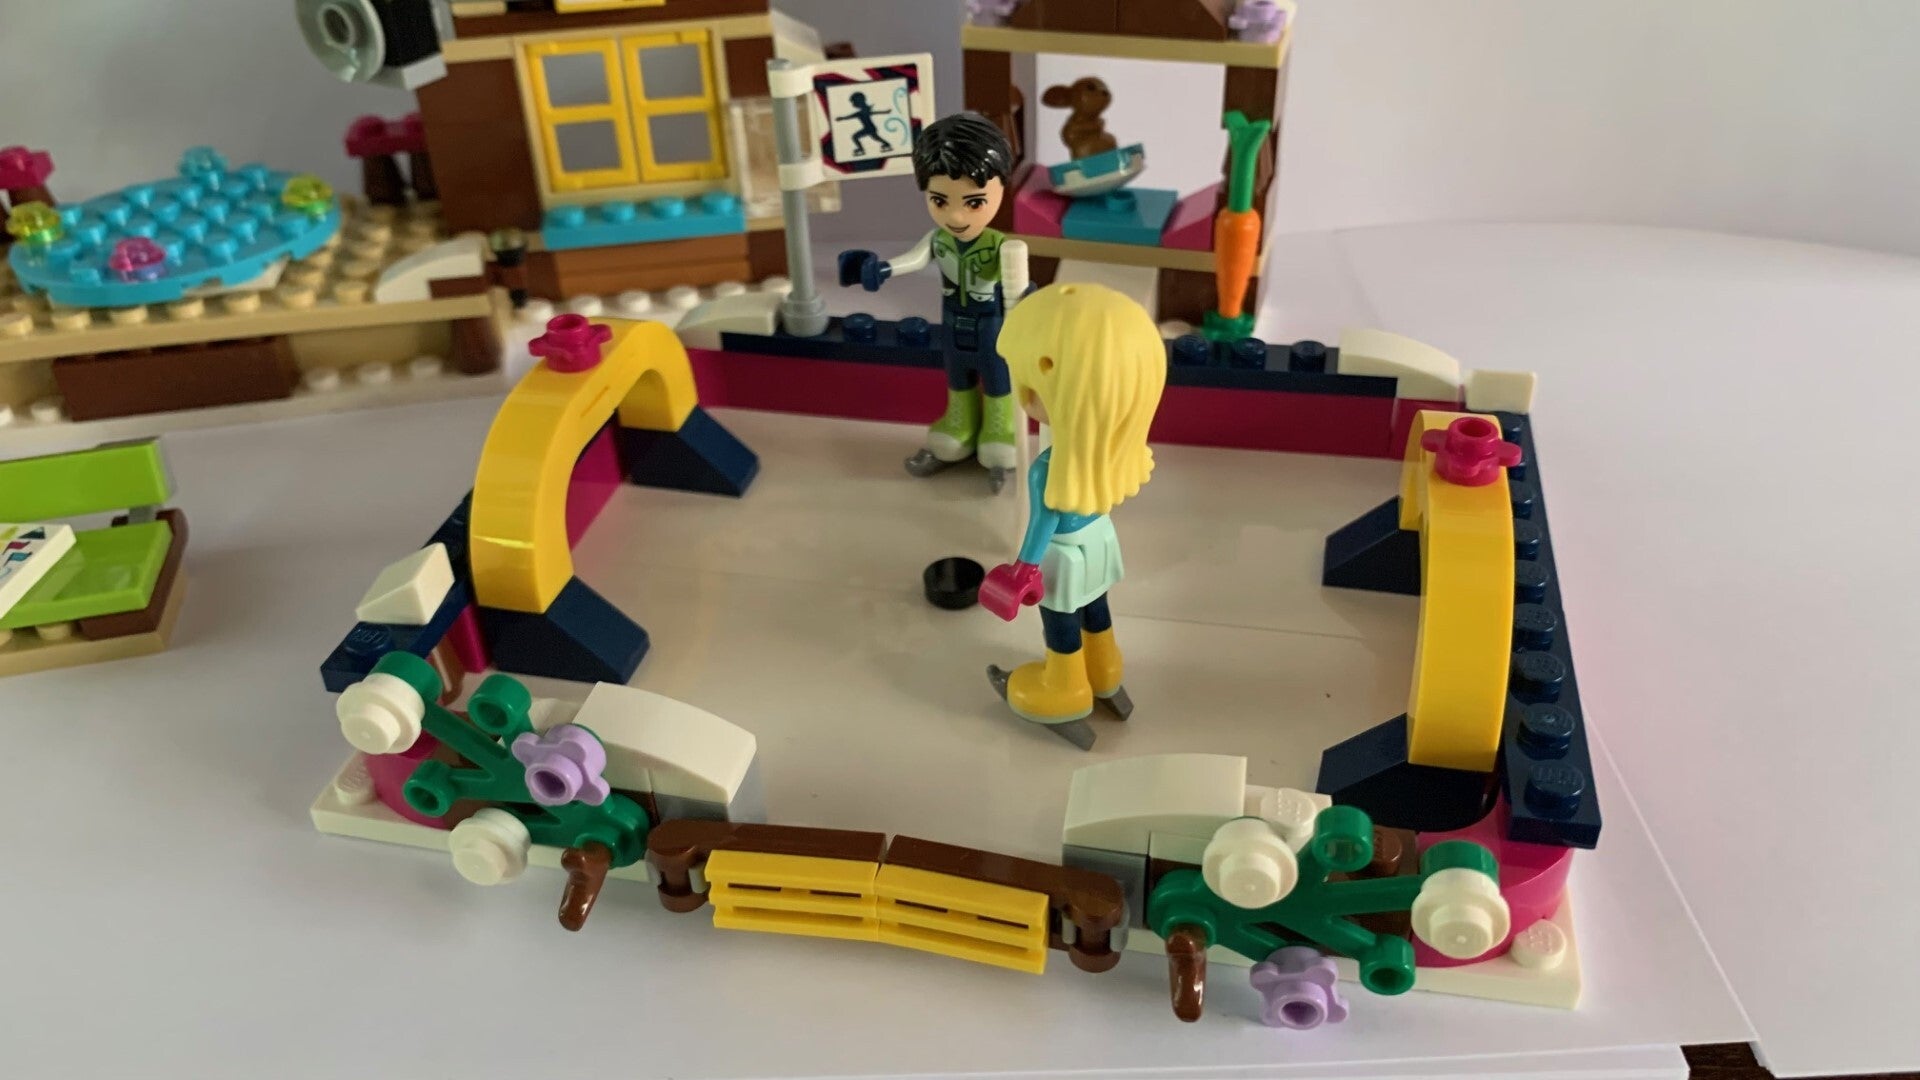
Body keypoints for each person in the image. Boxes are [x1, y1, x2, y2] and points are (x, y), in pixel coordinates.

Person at [978, 283, 1166, 749]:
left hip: (1062, 554)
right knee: (1096, 608)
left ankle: (1064, 688)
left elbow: (1042, 523)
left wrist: (1023, 566)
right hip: (1101, 542)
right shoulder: (1111, 452)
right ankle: (1105, 673)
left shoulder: (1050, 468)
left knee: (1060, 620)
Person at [838, 112, 1028, 490]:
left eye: (974, 202)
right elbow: (913, 259)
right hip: (952, 319)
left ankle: (999, 428)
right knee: (956, 375)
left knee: (997, 377)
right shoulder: (938, 240)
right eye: (940, 200)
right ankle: (960, 424)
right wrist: (881, 270)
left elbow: (1018, 288)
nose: (955, 215)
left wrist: (1025, 306)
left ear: (1000, 191)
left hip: (992, 324)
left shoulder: (1002, 246)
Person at [833, 91, 894, 156]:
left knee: (855, 137)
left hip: (869, 128)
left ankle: (861, 149)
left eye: (854, 102)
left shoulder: (863, 112)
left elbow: (871, 113)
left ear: (858, 102)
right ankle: (887, 144)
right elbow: (871, 113)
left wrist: (842, 118)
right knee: (875, 137)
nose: (853, 104)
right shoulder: (863, 111)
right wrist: (842, 118)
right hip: (870, 128)